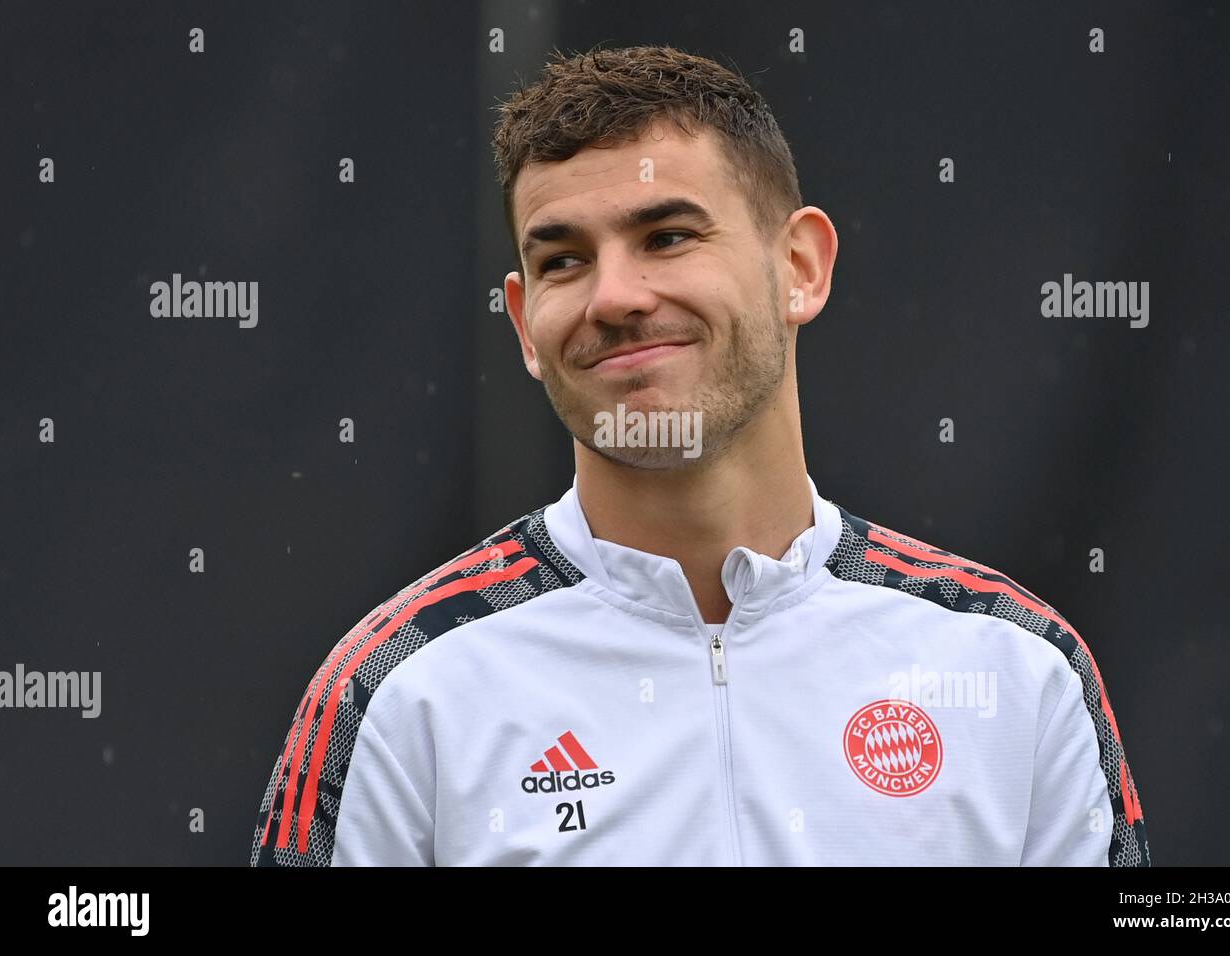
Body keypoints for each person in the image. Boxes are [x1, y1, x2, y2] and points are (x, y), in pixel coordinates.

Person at [250, 44, 1150, 866]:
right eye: (563, 259)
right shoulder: (401, 689)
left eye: (667, 237)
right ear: (524, 324)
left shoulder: (1014, 667)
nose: (615, 297)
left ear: (800, 265)